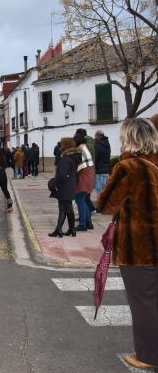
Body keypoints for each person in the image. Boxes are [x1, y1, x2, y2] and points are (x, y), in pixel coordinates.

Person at [97, 118, 158, 370]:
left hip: (138, 248)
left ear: (129, 138)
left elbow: (106, 204)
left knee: (143, 302)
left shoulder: (128, 167)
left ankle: (147, 356)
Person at [48, 138, 81, 237]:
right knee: (69, 208)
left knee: (62, 209)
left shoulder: (66, 159)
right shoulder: (74, 157)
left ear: (65, 145)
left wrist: (55, 183)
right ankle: (72, 229)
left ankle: (58, 230)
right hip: (71, 185)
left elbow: (62, 175)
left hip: (64, 186)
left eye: (62, 144)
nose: (60, 146)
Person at [74, 131, 95, 231]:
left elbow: (80, 166)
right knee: (85, 200)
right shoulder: (85, 147)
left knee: (79, 199)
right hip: (90, 174)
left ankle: (82, 224)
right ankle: (88, 222)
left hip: (84, 175)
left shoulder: (80, 149)